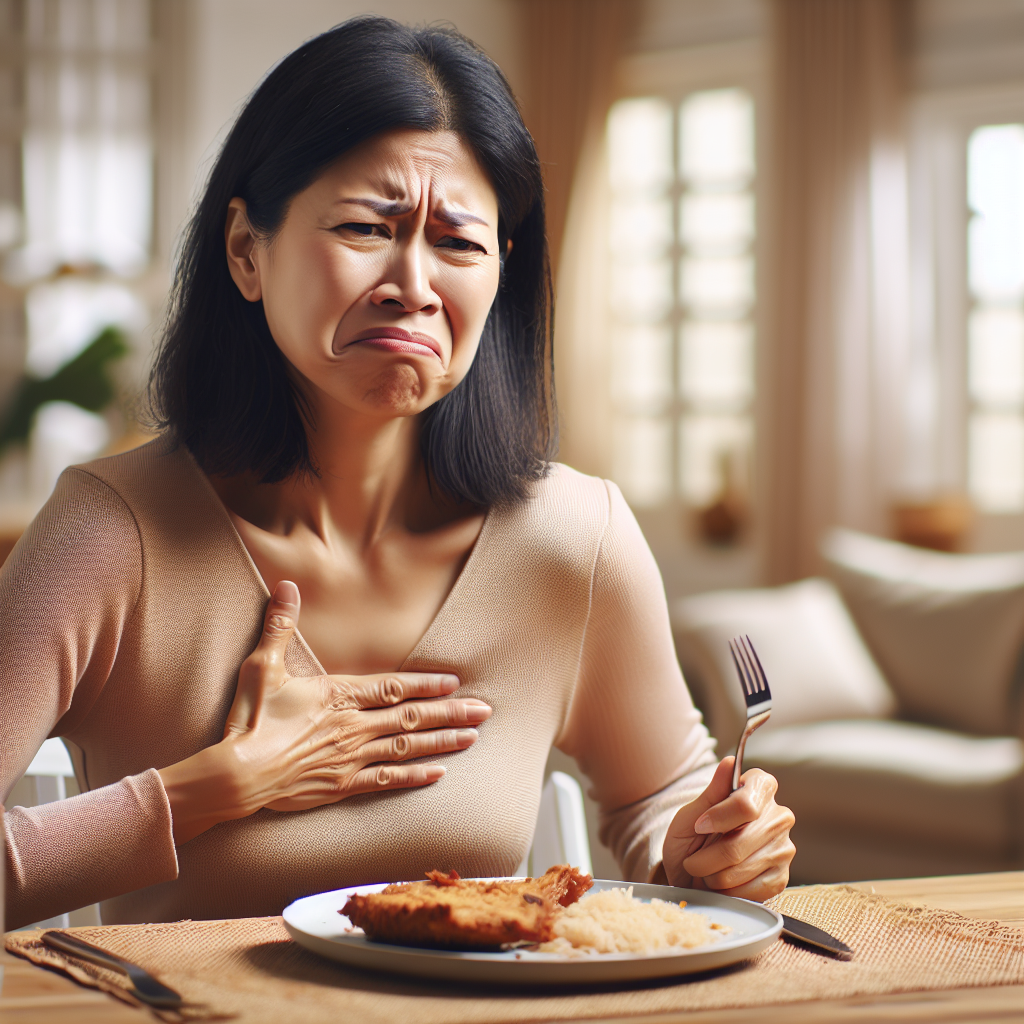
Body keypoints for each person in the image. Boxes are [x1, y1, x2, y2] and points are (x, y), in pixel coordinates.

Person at [0, 17, 794, 931]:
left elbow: (663, 801)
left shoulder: (576, 538)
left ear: (501, 274)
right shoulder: (113, 534)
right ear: (246, 251)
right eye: (364, 228)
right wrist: (214, 789)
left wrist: (714, 845)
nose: (412, 282)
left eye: (457, 244)